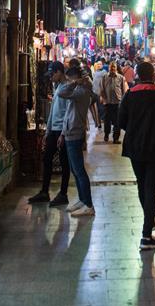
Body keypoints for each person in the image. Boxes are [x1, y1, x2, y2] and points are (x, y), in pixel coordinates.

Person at [118, 61, 155, 251]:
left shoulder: (130, 95)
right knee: (152, 187)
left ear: (137, 75)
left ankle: (148, 220)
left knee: (142, 184)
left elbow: (121, 121)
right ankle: (146, 234)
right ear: (153, 75)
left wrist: (136, 129)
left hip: (136, 146)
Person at [28, 62, 70, 206]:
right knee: (47, 159)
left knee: (65, 162)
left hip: (62, 131)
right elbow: (53, 111)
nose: (50, 77)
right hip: (54, 130)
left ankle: (63, 194)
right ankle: (44, 191)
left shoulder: (67, 88)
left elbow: (68, 113)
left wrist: (63, 134)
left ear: (59, 72)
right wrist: (48, 130)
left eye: (52, 74)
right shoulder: (58, 87)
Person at [55, 67, 95, 216]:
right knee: (75, 170)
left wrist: (75, 83)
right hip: (70, 132)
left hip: (75, 132)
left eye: (69, 79)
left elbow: (61, 93)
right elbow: (68, 112)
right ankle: (82, 199)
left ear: (75, 78)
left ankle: (88, 204)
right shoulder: (78, 90)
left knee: (79, 170)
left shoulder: (81, 91)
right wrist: (63, 134)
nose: (68, 82)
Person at [100, 60, 128, 144]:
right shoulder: (104, 77)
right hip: (107, 103)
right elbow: (102, 89)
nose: (112, 68)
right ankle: (106, 134)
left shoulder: (121, 78)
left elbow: (124, 90)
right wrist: (104, 99)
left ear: (116, 68)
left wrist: (123, 101)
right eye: (111, 67)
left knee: (117, 122)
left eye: (114, 67)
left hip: (117, 103)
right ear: (109, 68)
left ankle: (116, 138)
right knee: (107, 121)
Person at [92, 61, 107, 129]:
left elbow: (105, 84)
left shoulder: (104, 72)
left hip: (101, 93)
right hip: (95, 93)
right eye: (98, 64)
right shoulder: (95, 72)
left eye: (100, 64)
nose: (99, 65)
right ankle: (98, 122)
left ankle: (102, 120)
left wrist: (102, 94)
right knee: (97, 108)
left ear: (102, 65)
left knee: (101, 107)